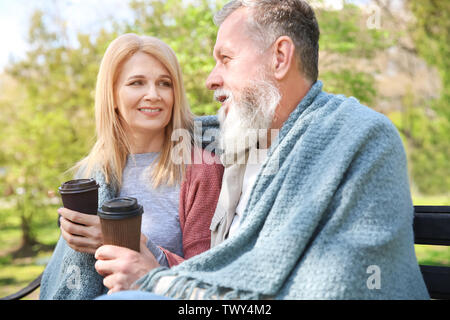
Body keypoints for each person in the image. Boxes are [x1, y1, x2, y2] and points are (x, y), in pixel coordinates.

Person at [97, 0, 430, 299]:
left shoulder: (361, 138)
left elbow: (337, 286)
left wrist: (154, 279)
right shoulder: (234, 147)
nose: (211, 79)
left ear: (280, 58)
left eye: (225, 59)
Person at [39, 33, 224, 299]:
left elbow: (206, 280)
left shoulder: (200, 169)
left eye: (165, 83)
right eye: (137, 83)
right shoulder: (93, 173)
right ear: (112, 95)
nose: (154, 95)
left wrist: (122, 240)